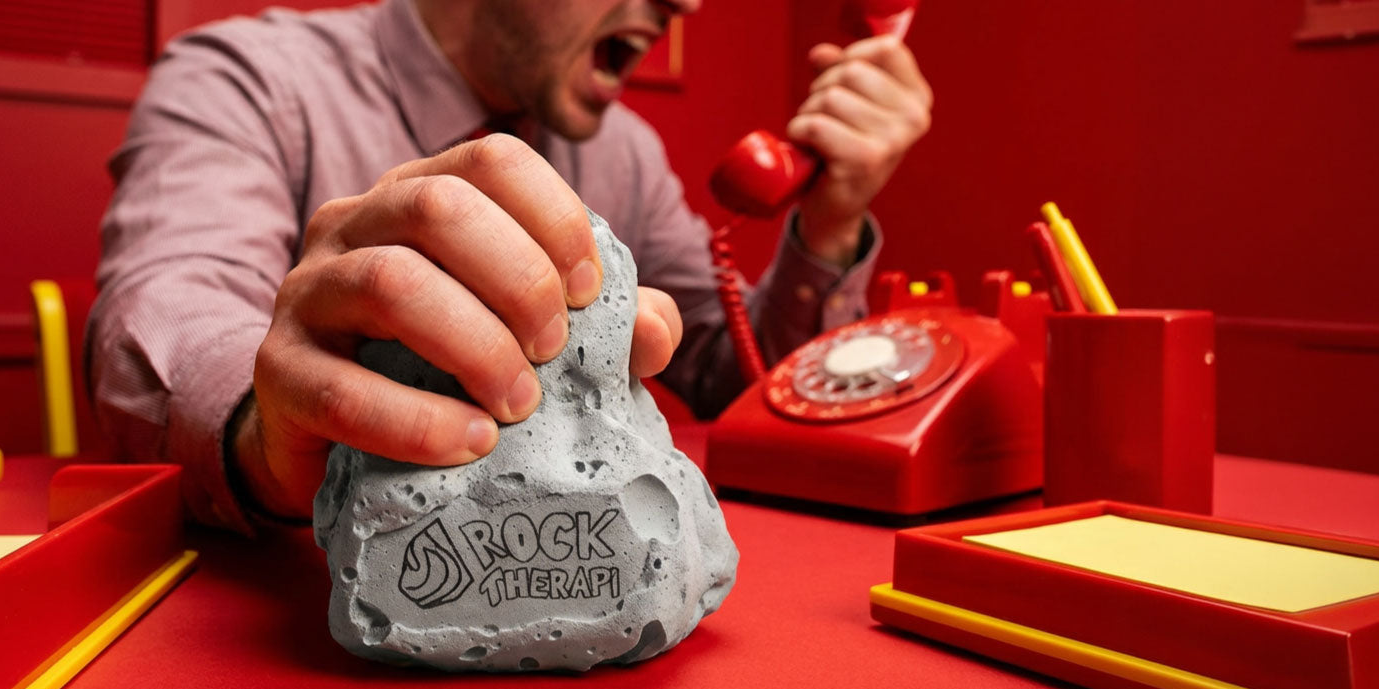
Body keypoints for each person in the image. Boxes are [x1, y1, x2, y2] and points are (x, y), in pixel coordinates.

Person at [90, 0, 933, 533]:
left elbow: (735, 373)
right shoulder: (249, 81)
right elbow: (168, 303)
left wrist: (829, 219)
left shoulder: (627, 156)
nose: (686, 3)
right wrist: (270, 429)